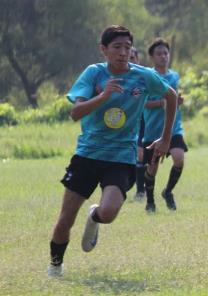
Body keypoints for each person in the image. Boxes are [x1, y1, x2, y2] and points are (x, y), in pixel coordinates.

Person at [48, 25, 177, 277]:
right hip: (88, 154)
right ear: (104, 49)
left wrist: (165, 138)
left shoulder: (142, 76)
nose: (123, 52)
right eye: (117, 47)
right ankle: (55, 265)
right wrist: (104, 95)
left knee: (108, 212)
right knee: (66, 218)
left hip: (121, 156)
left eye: (127, 47)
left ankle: (94, 219)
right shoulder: (94, 74)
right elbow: (76, 113)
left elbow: (170, 96)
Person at [142, 38, 188, 212]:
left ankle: (168, 191)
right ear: (152, 57)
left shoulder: (174, 76)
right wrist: (162, 103)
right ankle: (150, 201)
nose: (163, 56)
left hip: (174, 127)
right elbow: (143, 103)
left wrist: (177, 101)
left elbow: (173, 99)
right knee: (152, 169)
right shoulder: (147, 76)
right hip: (153, 130)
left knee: (179, 159)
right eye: (159, 54)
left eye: (165, 53)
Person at [129, 46, 147, 201]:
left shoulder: (143, 78)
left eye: (132, 58)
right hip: (124, 123)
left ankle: (141, 191)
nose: (130, 61)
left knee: (141, 155)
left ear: (138, 60)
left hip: (143, 121)